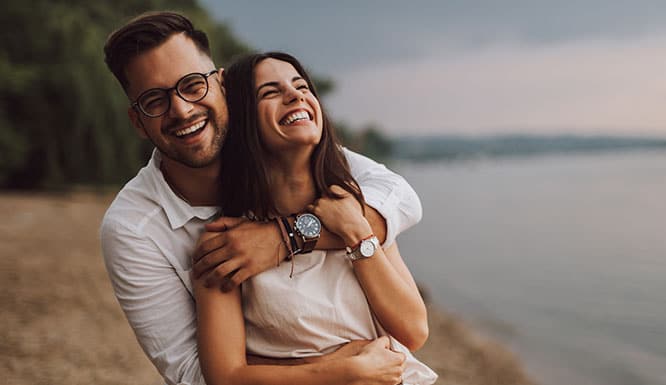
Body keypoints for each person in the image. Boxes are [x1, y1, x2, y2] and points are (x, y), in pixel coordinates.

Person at [100, 11, 422, 385]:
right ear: (137, 121)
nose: (182, 109)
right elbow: (198, 375)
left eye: (192, 85)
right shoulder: (139, 230)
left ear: (221, 84)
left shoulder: (308, 165)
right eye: (154, 100)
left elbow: (401, 199)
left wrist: (288, 237)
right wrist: (337, 370)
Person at [193, 52, 437, 385]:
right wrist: (347, 370)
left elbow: (413, 331)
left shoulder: (356, 210)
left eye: (301, 86)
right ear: (243, 119)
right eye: (270, 92)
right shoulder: (227, 242)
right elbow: (226, 377)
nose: (296, 95)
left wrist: (356, 233)